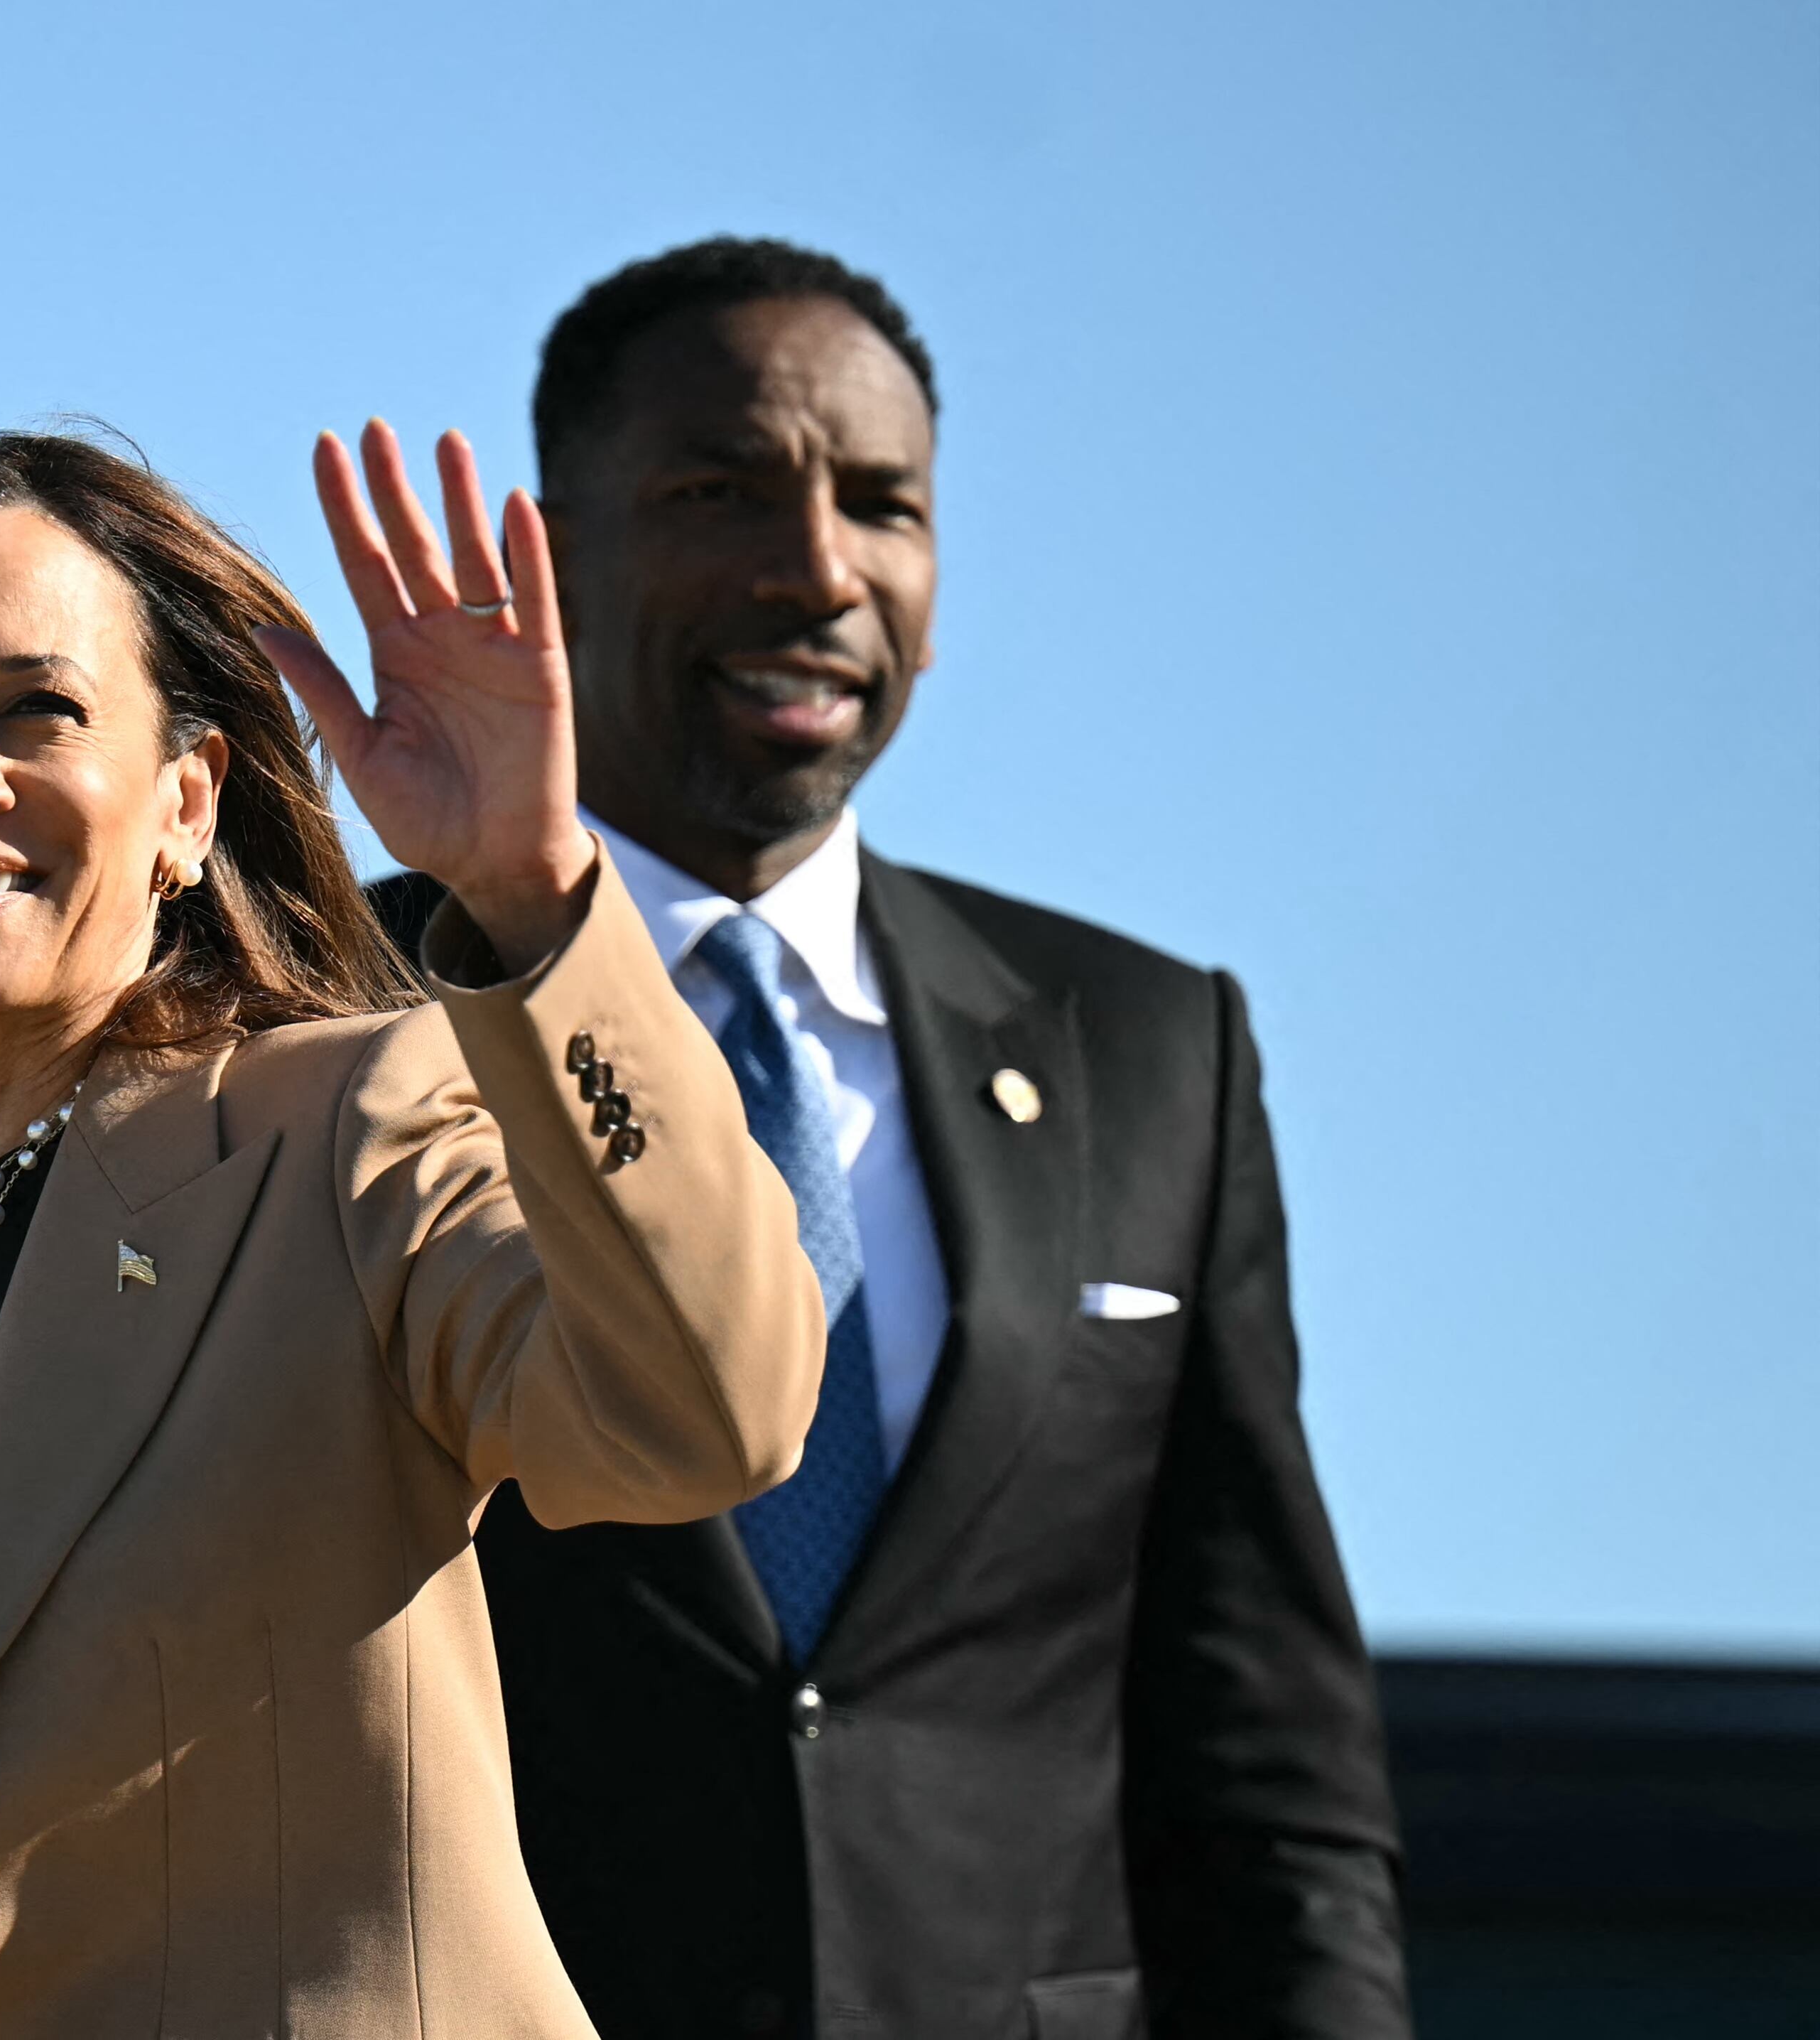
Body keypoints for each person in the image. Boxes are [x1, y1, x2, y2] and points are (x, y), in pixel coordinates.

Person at [0, 426, 828, 2039]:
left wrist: (535, 893)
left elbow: (704, 1412)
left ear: (185, 804)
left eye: (40, 710)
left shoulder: (346, 1134)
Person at [369, 239, 1410, 2037]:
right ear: (550, 553)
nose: (817, 570)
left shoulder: (1148, 1052)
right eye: (718, 492)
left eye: (882, 505)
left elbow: (1259, 1752)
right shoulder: (319, 1028)